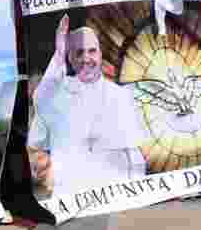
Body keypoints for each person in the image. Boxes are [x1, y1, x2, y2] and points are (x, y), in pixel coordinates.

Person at [29, 16, 149, 197]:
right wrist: (59, 54)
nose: (86, 58)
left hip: (117, 190)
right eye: (79, 53)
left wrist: (138, 189)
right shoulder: (60, 92)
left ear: (100, 54)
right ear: (70, 59)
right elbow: (41, 97)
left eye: (92, 51)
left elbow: (134, 150)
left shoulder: (121, 95)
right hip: (73, 192)